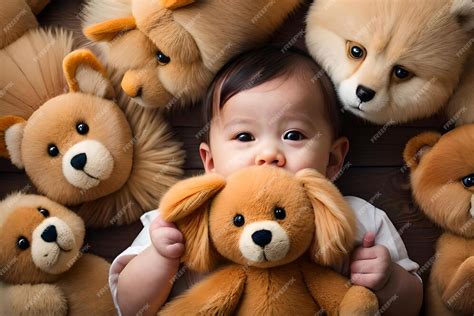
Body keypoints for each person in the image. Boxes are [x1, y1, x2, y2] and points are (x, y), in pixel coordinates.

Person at [112, 46, 423, 316]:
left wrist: (388, 280)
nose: (269, 154)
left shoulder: (356, 219)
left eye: (293, 135)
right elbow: (129, 306)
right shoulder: (182, 218)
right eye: (244, 136)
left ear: (332, 160)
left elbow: (411, 307)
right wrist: (161, 257)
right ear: (210, 162)